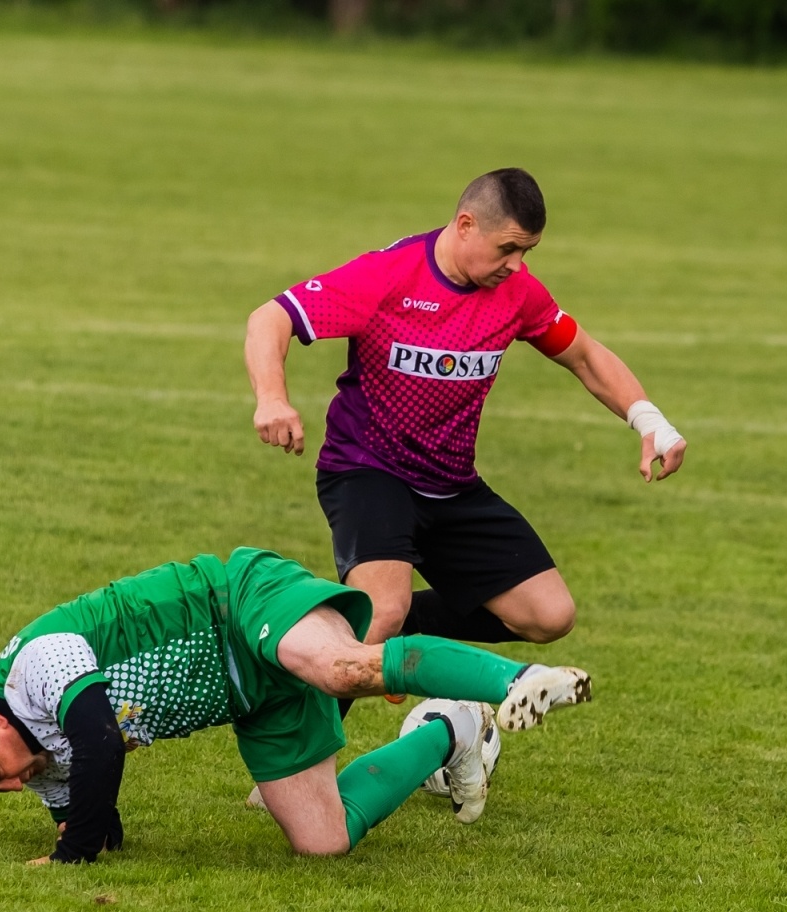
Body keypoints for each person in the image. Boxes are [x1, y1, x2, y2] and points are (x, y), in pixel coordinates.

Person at [0, 547, 590, 863]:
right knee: (323, 842)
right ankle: (452, 728)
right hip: (250, 699)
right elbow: (96, 817)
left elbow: (99, 745)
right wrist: (81, 836)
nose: (11, 783)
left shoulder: (37, 665)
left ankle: (516, 679)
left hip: (236, 606)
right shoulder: (35, 751)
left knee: (339, 667)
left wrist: (71, 855)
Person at [245, 167, 687, 654]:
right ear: (465, 225)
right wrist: (272, 397)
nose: (517, 265)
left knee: (549, 615)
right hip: (368, 470)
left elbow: (584, 355)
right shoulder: (388, 275)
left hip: (452, 486)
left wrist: (649, 420)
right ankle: (312, 713)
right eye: (508, 248)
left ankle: (367, 624)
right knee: (381, 614)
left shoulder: (518, 294)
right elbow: (272, 317)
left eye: (527, 252)